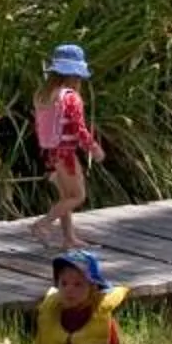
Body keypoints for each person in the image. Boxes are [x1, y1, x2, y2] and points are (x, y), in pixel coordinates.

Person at [28, 43, 106, 250]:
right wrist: (94, 149)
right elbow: (79, 129)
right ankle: (42, 224)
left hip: (50, 153)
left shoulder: (43, 94)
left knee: (65, 196)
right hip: (66, 154)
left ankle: (69, 238)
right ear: (74, 74)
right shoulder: (70, 98)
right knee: (77, 196)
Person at [33, 249, 131, 344]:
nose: (69, 289)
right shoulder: (49, 313)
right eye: (64, 283)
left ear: (93, 288)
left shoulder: (101, 317)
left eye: (78, 284)